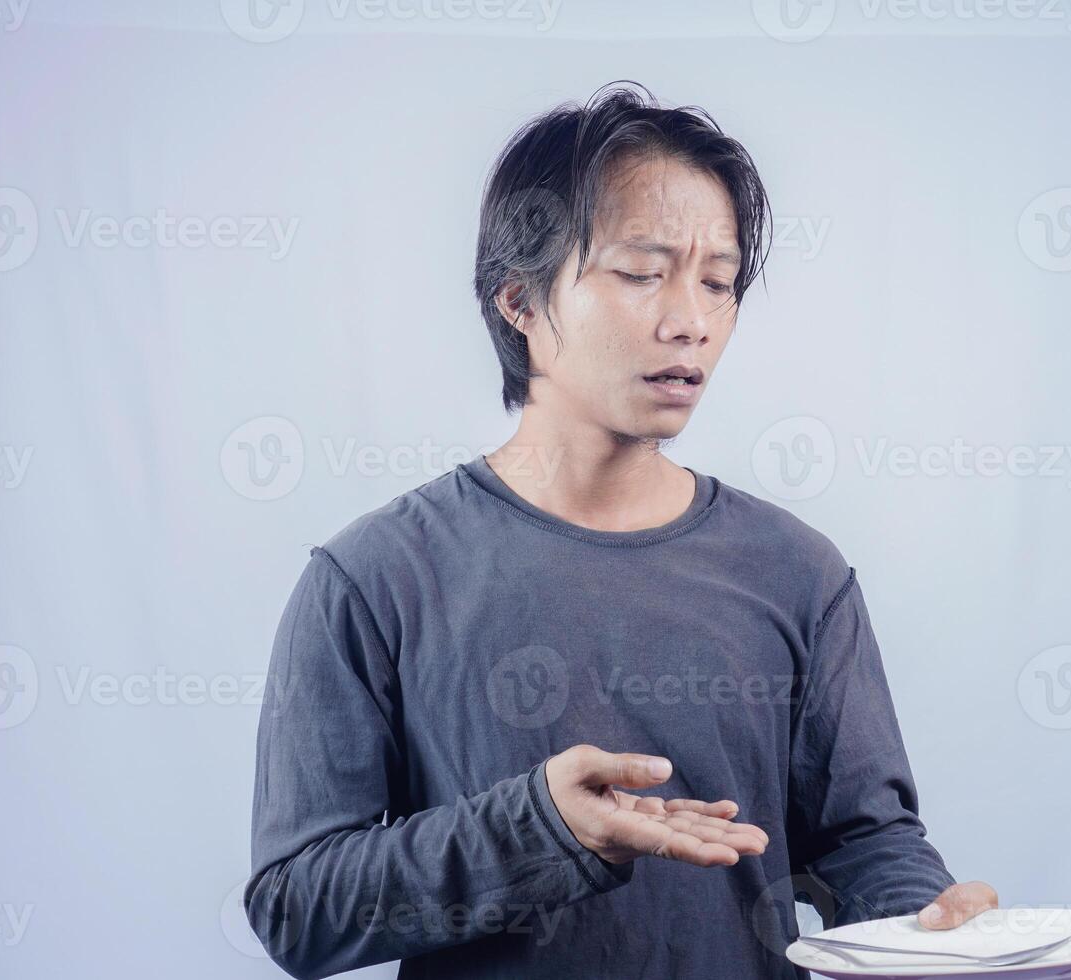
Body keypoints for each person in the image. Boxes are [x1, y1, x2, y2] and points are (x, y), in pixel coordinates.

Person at [245, 80, 998, 979]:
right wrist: (537, 831)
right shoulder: (374, 578)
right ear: (518, 300)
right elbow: (295, 909)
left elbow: (866, 845)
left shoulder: (798, 572)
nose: (691, 323)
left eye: (718, 282)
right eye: (642, 274)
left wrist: (930, 926)